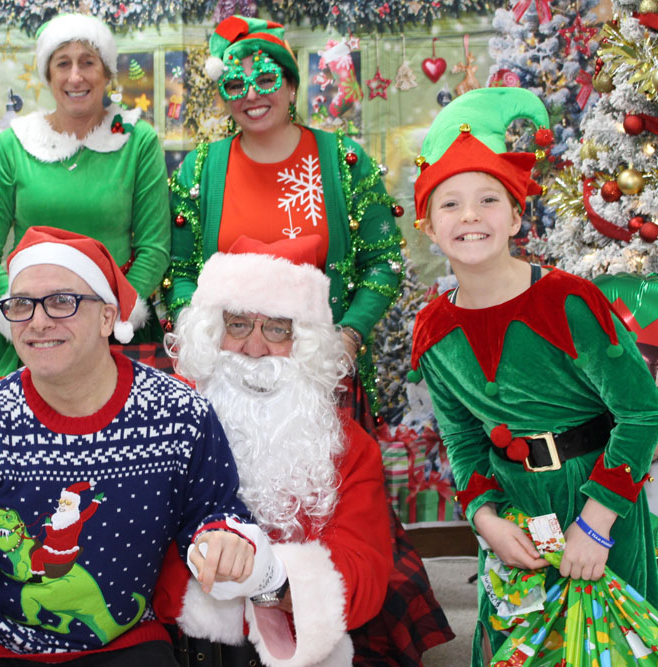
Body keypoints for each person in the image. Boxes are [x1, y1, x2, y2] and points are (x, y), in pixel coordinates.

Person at [0, 227, 283, 665]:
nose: (38, 321)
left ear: (107, 318)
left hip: (127, 646)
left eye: (62, 301)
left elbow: (217, 511)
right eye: (21, 304)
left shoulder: (180, 416)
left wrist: (227, 537)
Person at [407, 87, 658, 664]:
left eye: (488, 199)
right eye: (450, 204)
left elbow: (642, 411)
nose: (470, 216)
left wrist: (596, 524)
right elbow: (462, 442)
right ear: (428, 226)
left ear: (517, 214)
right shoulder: (433, 332)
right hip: (515, 515)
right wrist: (486, 520)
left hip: (599, 502)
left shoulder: (569, 302)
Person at [164, 235, 454, 666]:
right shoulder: (170, 422)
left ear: (306, 343)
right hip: (190, 643)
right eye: (238, 325)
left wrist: (268, 579)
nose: (255, 349)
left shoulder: (348, 445)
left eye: (277, 328)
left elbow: (361, 571)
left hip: (304, 641)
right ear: (211, 333)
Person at [165, 15, 403, 421]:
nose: (251, 94)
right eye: (235, 84)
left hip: (321, 380)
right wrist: (199, 335)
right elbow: (181, 271)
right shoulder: (199, 170)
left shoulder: (344, 163)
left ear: (292, 86)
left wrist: (348, 335)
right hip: (226, 382)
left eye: (266, 79)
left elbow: (384, 261)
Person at [0, 13, 170, 387]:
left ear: (107, 73)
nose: (75, 77)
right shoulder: (14, 145)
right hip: (34, 334)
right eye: (63, 63)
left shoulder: (137, 142)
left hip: (116, 332)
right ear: (48, 75)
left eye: (87, 62)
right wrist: (22, 314)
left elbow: (154, 250)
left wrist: (114, 317)